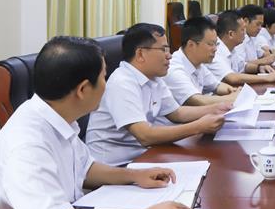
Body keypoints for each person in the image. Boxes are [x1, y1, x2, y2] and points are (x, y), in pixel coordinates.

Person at [0, 37, 194, 209]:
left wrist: (134, 176)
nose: (107, 83)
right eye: (104, 76)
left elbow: (85, 168)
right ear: (83, 90)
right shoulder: (27, 142)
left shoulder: (57, 117)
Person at [85, 23, 227, 166]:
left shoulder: (154, 78)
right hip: (115, 165)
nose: (169, 56)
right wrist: (198, 127)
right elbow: (145, 136)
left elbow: (177, 113)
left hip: (143, 156)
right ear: (140, 54)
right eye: (163, 49)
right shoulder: (122, 82)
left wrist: (217, 108)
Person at [164, 16, 239, 107]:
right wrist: (234, 97)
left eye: (216, 44)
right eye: (210, 44)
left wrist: (232, 90)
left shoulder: (198, 64)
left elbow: (217, 86)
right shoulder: (174, 69)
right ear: (191, 45)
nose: (215, 49)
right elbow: (199, 101)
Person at [207, 10, 275, 86]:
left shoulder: (231, 48)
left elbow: (243, 66)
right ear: (231, 34)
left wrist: (259, 68)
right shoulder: (215, 51)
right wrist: (266, 78)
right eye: (242, 30)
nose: (245, 33)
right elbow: (232, 78)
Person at [232, 4, 275, 73]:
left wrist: (270, 55)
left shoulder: (253, 37)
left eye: (261, 25)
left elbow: (264, 53)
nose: (260, 28)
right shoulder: (238, 39)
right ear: (245, 21)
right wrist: (264, 61)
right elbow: (241, 66)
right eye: (257, 24)